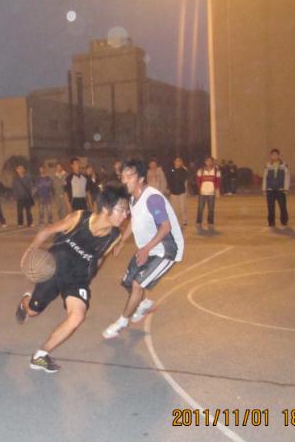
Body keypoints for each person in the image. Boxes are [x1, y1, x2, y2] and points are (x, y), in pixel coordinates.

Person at [15, 184, 129, 373]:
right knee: (33, 311)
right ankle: (25, 302)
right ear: (106, 208)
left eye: (127, 210)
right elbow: (46, 231)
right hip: (54, 270)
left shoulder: (114, 236)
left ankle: (40, 355)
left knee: (77, 316)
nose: (125, 215)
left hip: (77, 278)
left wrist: (90, 276)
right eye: (122, 210)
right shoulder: (78, 218)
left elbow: (100, 257)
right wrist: (29, 252)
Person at [102, 160, 185, 340]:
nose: (124, 180)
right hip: (148, 247)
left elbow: (166, 227)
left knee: (137, 285)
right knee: (128, 282)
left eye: (129, 176)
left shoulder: (152, 198)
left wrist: (146, 249)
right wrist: (121, 242)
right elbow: (133, 221)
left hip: (166, 250)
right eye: (122, 177)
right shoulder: (133, 198)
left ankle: (122, 322)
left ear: (140, 179)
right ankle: (145, 302)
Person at [262, 149, 290, 228]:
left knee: (283, 207)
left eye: (276, 154)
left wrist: (286, 188)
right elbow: (265, 177)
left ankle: (284, 222)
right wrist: (264, 189)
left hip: (280, 190)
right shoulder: (267, 165)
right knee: (270, 207)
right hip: (270, 190)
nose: (274, 156)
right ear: (270, 156)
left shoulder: (284, 165)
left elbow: (287, 176)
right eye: (272, 155)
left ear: (279, 155)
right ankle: (271, 223)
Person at [195, 156, 221, 230]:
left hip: (211, 193)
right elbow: (198, 181)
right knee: (200, 209)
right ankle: (198, 222)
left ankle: (210, 223)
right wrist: (200, 189)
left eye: (210, 161)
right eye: (207, 161)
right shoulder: (200, 171)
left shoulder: (216, 171)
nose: (209, 162)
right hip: (202, 193)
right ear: (205, 162)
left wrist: (216, 190)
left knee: (211, 209)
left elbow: (218, 182)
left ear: (212, 162)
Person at [168, 157, 188, 226]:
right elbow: (169, 179)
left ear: (181, 162)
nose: (177, 162)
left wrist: (177, 174)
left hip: (181, 191)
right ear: (174, 162)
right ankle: (176, 220)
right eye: (176, 161)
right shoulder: (171, 170)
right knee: (174, 208)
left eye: (179, 161)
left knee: (183, 207)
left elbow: (183, 179)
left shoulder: (183, 170)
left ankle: (184, 220)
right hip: (173, 192)